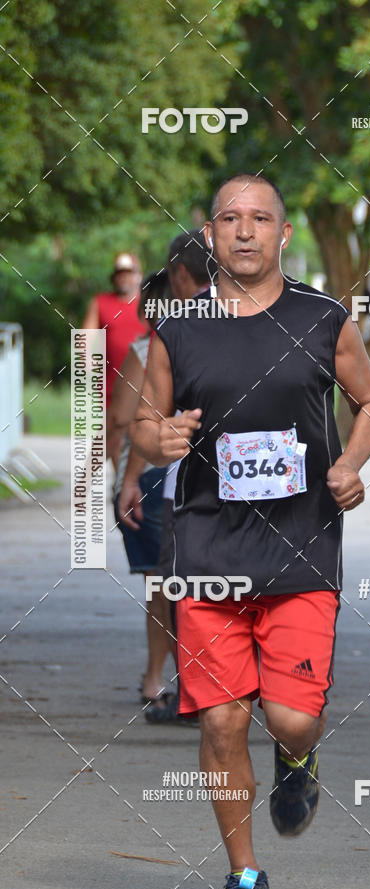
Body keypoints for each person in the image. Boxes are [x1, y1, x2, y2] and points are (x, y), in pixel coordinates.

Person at [131, 174, 370, 889]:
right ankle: (244, 873)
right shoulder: (176, 330)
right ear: (209, 235)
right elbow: (146, 427)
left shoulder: (321, 318)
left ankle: (298, 759)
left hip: (301, 550)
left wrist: (348, 463)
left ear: (284, 234)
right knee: (219, 721)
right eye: (230, 219)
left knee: (292, 718)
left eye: (261, 218)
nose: (245, 231)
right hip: (209, 550)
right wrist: (164, 438)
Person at [144, 230, 213, 725]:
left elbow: (137, 419)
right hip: (268, 498)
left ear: (179, 274)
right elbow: (148, 423)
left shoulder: (171, 331)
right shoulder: (272, 320)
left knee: (179, 590)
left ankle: (196, 689)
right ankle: (206, 689)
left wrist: (130, 474)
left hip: (187, 495)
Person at [109, 270, 173, 708]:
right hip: (205, 480)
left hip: (149, 476)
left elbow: (119, 419)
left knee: (160, 587)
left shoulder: (144, 351)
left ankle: (155, 678)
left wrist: (120, 476)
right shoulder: (218, 348)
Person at [81, 252, 146, 467]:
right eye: (120, 273)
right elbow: (86, 336)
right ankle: (121, 492)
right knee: (116, 441)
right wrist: (86, 359)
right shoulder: (101, 302)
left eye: (129, 273)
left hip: (146, 387)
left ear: (139, 275)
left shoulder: (149, 303)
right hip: (112, 388)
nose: (124, 278)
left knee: (142, 443)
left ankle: (135, 490)